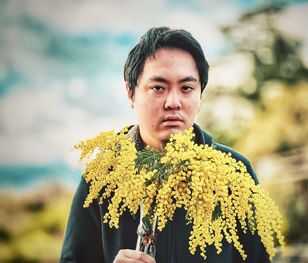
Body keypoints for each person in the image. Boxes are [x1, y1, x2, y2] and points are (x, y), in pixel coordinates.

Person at [60, 26, 270, 263]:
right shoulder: (102, 178)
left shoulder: (233, 173)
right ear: (131, 93)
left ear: (200, 93)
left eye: (187, 88)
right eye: (158, 88)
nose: (173, 102)